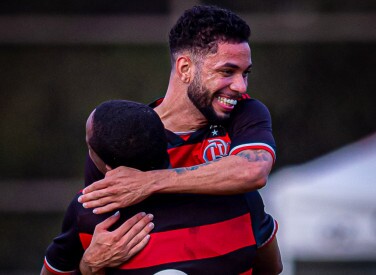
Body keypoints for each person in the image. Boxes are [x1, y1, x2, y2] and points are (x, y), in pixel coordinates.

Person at [41, 99, 281, 274]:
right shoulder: (240, 198)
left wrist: (89, 266)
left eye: (89, 147)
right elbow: (272, 268)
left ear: (112, 171)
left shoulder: (89, 211)